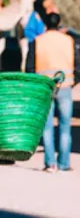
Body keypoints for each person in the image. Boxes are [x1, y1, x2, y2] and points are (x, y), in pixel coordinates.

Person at [26, 12, 79, 172]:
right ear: (59, 23)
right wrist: (72, 81)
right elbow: (78, 64)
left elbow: (29, 67)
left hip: (45, 89)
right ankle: (64, 163)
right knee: (65, 126)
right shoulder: (69, 40)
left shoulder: (37, 41)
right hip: (65, 87)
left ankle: (51, 164)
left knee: (47, 127)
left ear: (45, 24)